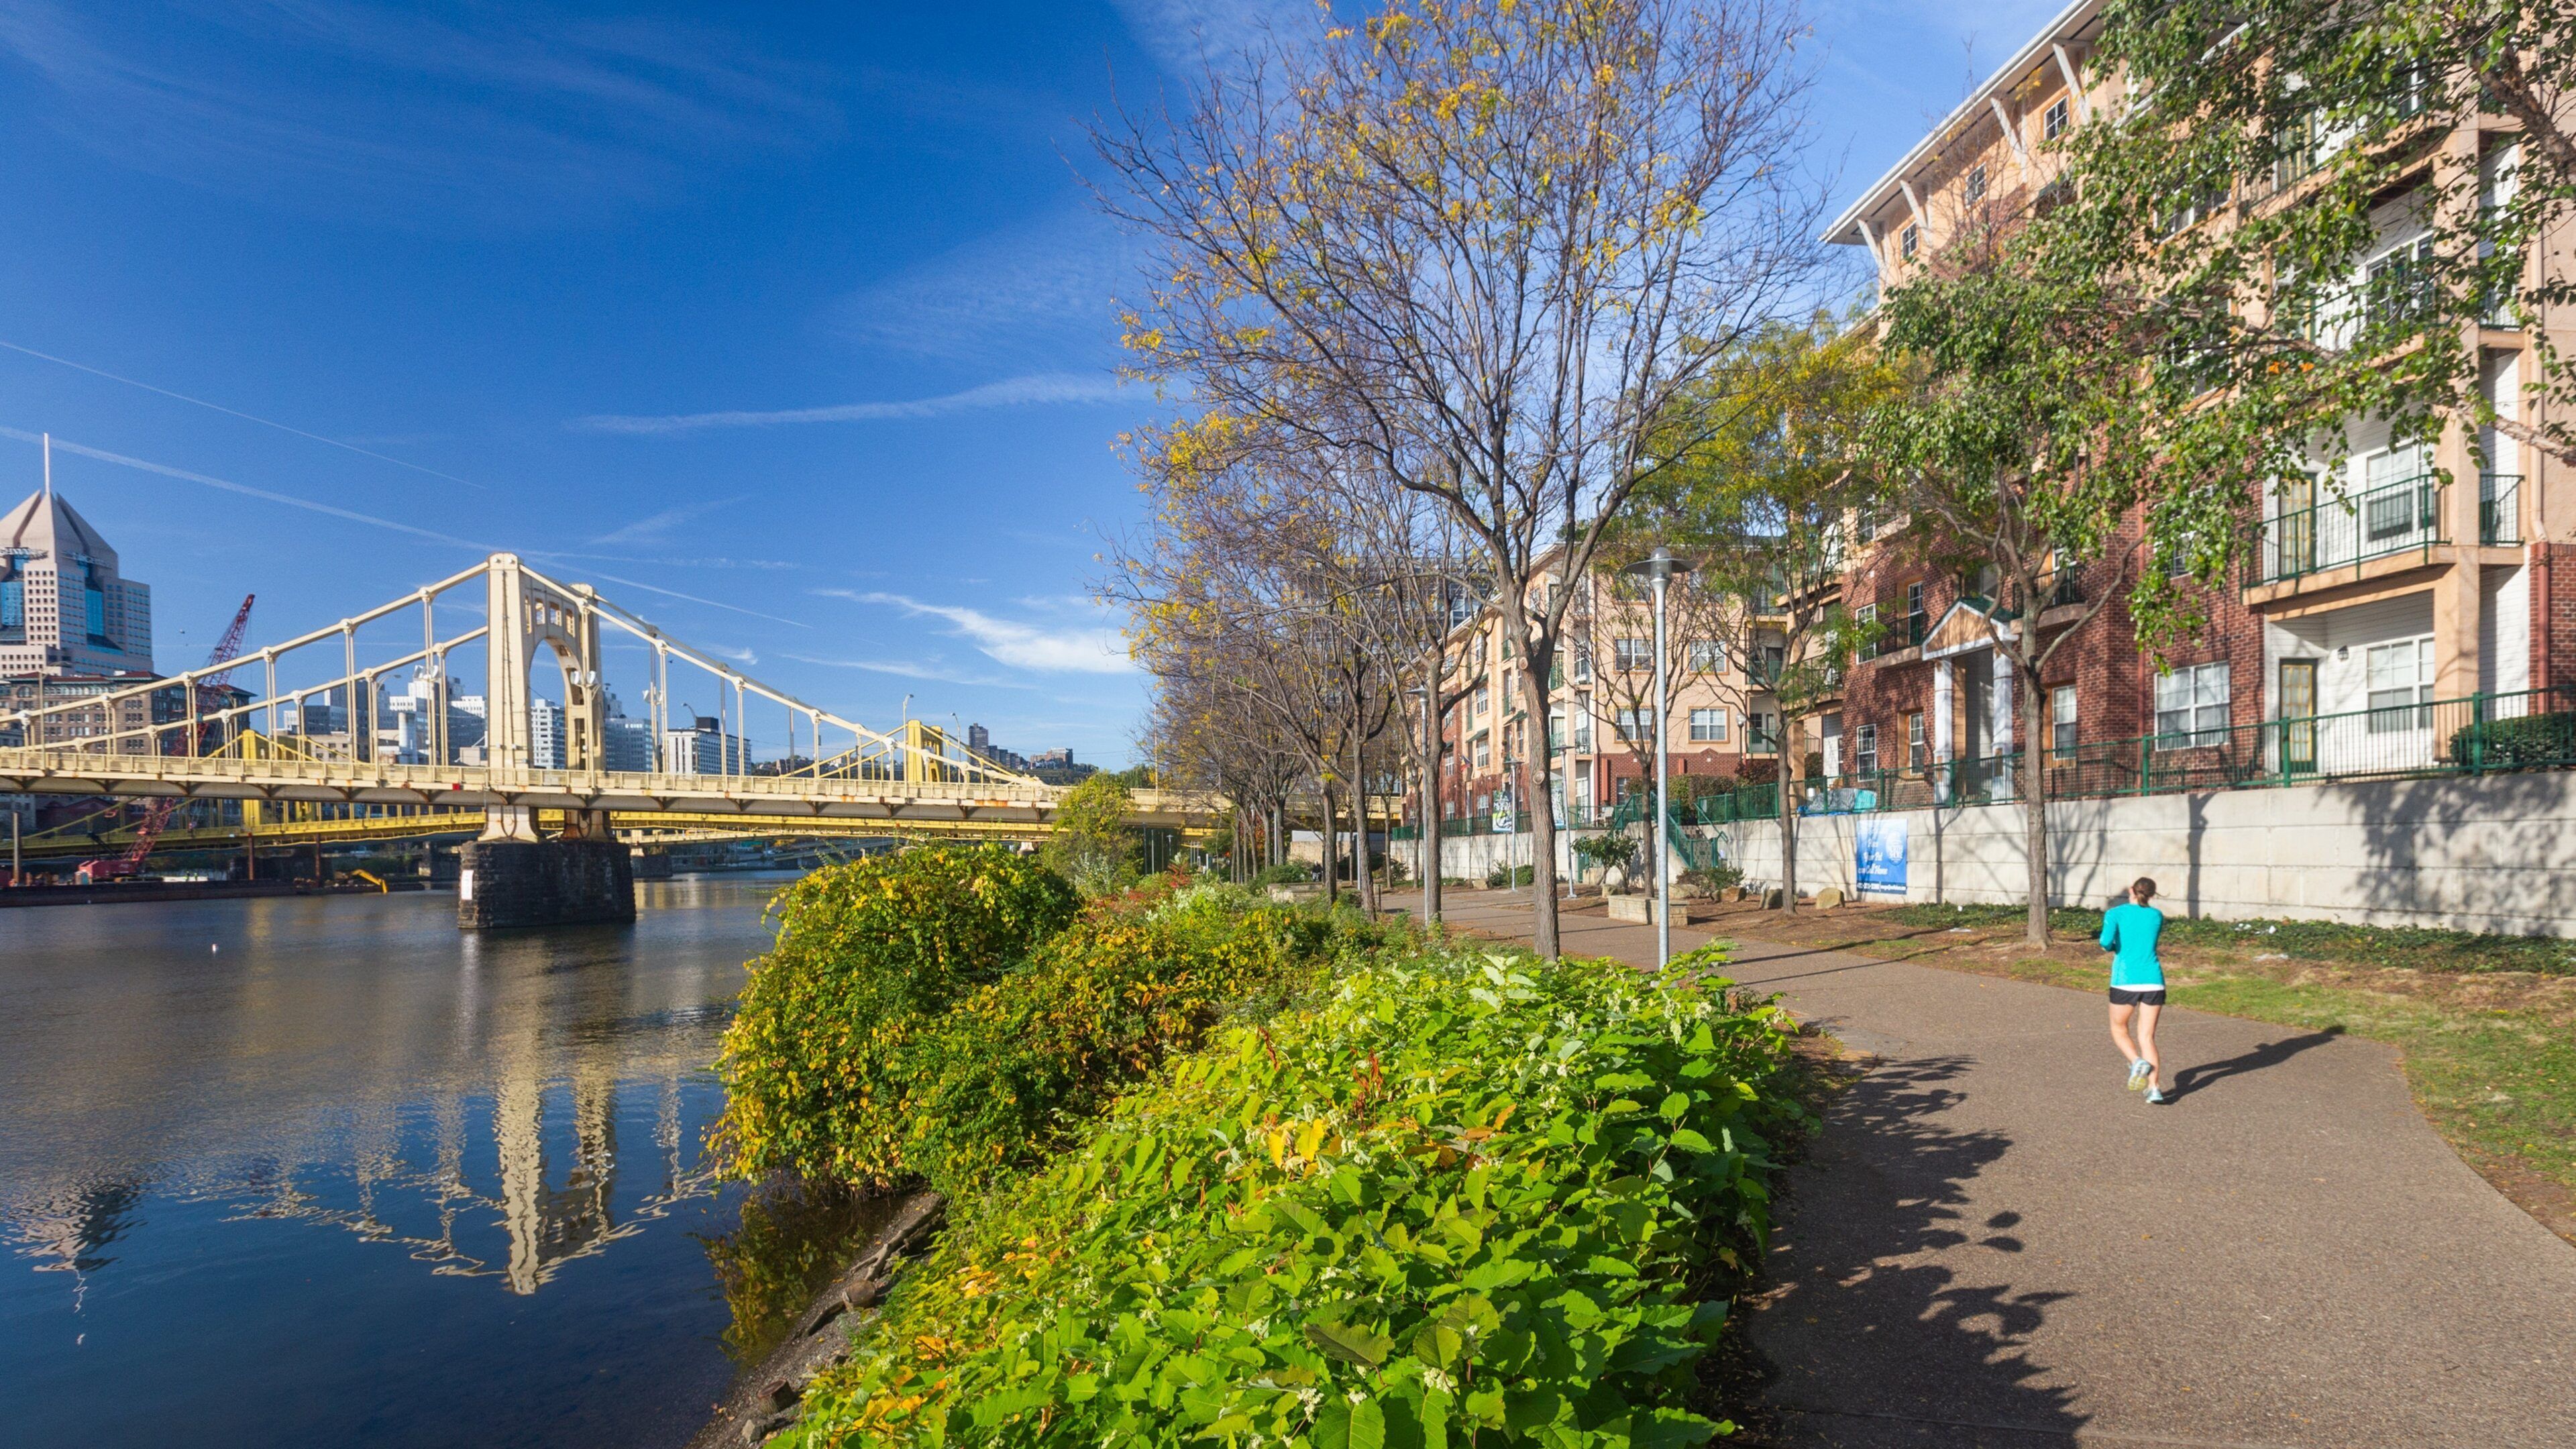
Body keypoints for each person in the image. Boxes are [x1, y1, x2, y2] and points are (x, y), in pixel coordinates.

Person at [2100, 877, 2169, 1104]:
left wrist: (2114, 944)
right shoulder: (2156, 915)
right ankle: (2155, 1088)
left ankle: (2136, 1061)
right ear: (2152, 894)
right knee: (2147, 1037)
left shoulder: (2115, 914)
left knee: (2119, 1029)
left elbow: (2105, 942)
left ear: (2131, 890)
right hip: (2154, 981)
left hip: (2125, 980)